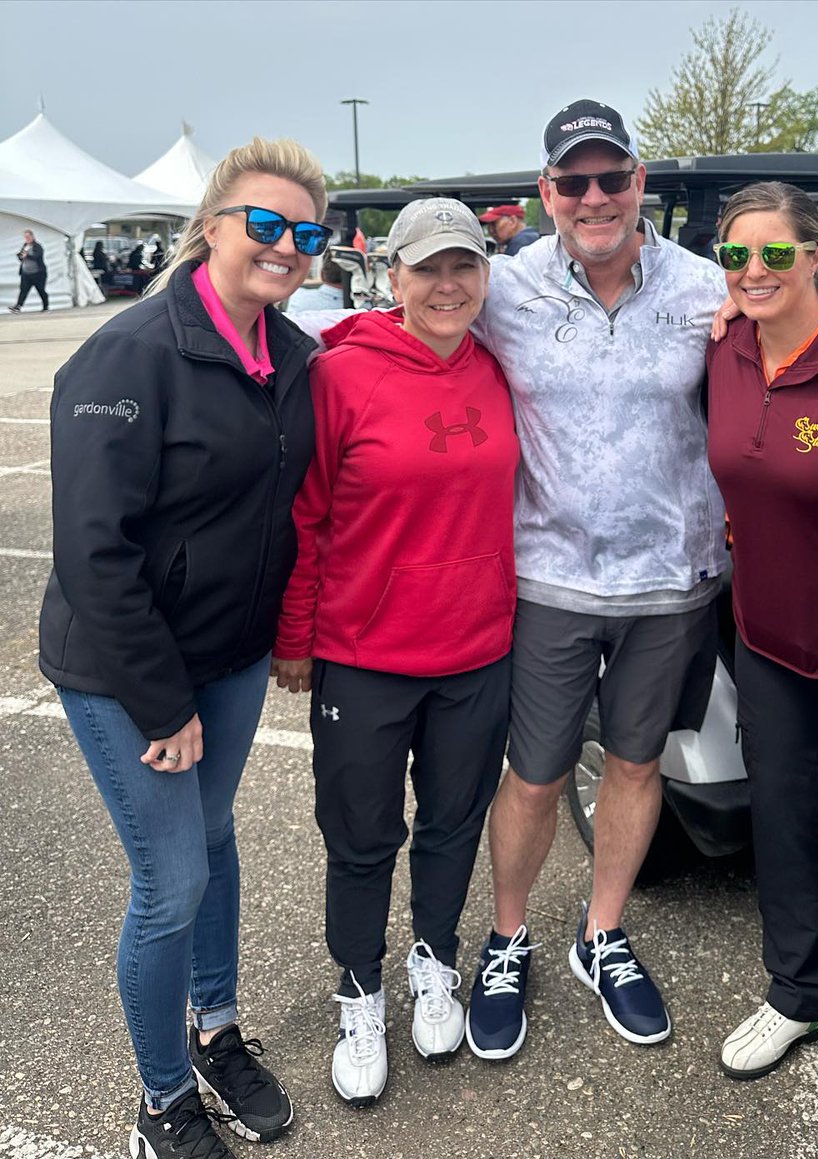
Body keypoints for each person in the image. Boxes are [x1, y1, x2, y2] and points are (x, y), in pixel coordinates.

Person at [39, 138, 331, 1159]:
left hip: (232, 656)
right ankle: (160, 1100)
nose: (285, 246)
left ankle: (214, 1030)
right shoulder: (129, 355)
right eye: (263, 223)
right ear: (210, 226)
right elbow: (92, 549)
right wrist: (163, 705)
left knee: (213, 845)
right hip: (129, 670)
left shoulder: (293, 357)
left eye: (305, 232)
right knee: (171, 879)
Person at [463, 98, 729, 1060]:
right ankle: (507, 937)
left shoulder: (705, 285)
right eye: (572, 182)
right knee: (533, 778)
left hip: (672, 578)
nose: (594, 197)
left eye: (611, 178)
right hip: (551, 579)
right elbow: (415, 340)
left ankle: (602, 933)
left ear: (639, 184)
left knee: (635, 764)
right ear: (546, 194)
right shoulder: (502, 288)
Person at [271, 198, 519, 1106]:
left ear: (484, 276)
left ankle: (434, 961)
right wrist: (296, 636)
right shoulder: (343, 375)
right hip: (366, 653)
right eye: (428, 269)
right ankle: (359, 989)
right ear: (394, 276)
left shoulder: (499, 368)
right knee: (362, 836)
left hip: (478, 647)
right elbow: (308, 513)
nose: (448, 285)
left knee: (454, 822)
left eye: (464, 267)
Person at [705, 182, 818, 1080]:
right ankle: (798, 990)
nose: (754, 271)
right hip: (766, 636)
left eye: (776, 252)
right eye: (736, 255)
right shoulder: (724, 348)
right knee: (780, 817)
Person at [10, 229, 48, 312]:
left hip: (38, 273)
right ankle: (18, 306)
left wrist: (27, 255)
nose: (27, 238)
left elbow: (36, 256)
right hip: (26, 273)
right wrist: (20, 256)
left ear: (32, 236)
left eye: (28, 236)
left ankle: (45, 307)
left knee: (41, 290)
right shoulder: (25, 246)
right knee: (23, 290)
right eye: (26, 237)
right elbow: (22, 258)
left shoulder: (37, 246)